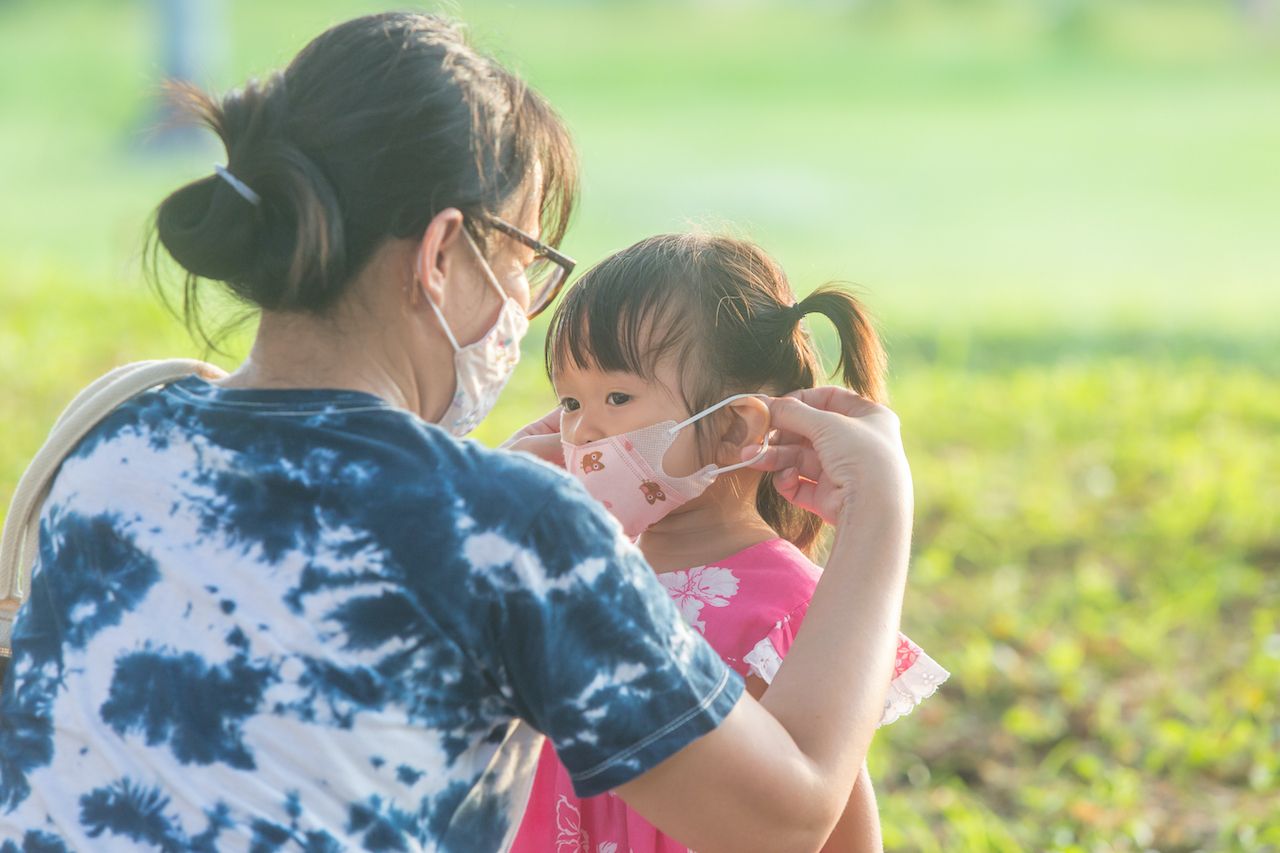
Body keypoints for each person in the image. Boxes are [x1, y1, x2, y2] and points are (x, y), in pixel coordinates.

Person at [0, 13, 915, 851]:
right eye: (524, 261)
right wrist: (878, 511)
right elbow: (786, 817)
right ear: (442, 255)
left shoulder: (115, 442)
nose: (521, 306)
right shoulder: (514, 526)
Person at [508, 234, 947, 852]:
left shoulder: (791, 605)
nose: (581, 430)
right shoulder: (571, 571)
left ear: (736, 426)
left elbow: (828, 812)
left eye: (617, 397)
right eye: (570, 401)